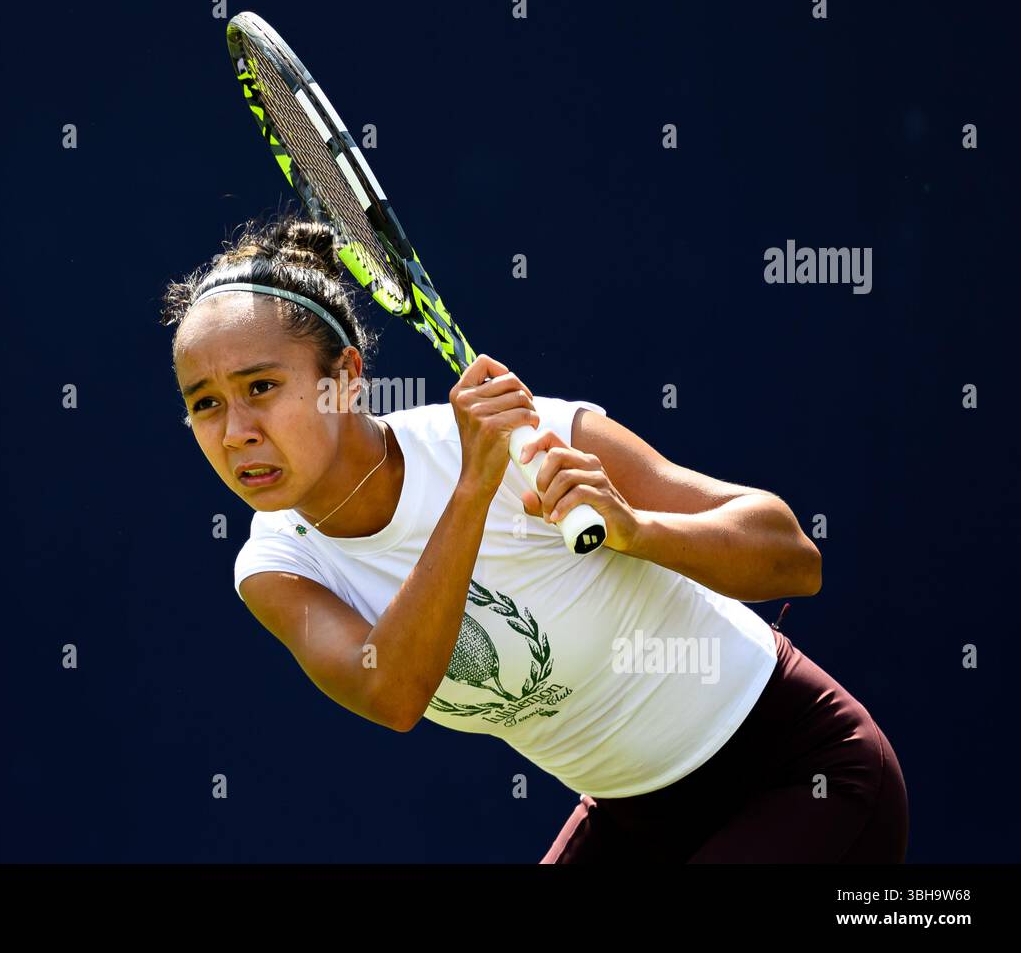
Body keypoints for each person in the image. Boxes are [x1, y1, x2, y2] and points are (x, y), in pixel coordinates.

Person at [160, 212, 909, 863]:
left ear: (347, 377)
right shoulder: (275, 566)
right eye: (205, 404)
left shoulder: (537, 434)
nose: (236, 433)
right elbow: (393, 694)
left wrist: (635, 528)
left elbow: (792, 557)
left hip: (800, 770)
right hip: (630, 813)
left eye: (261, 387)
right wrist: (473, 492)